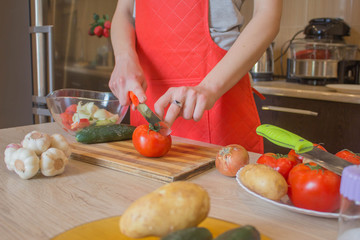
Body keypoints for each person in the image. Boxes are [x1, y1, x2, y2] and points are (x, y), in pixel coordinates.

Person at [109, 0, 282, 154]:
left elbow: (267, 13)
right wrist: (124, 57)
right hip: (149, 99)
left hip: (218, 95)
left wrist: (209, 88)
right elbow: (124, 11)